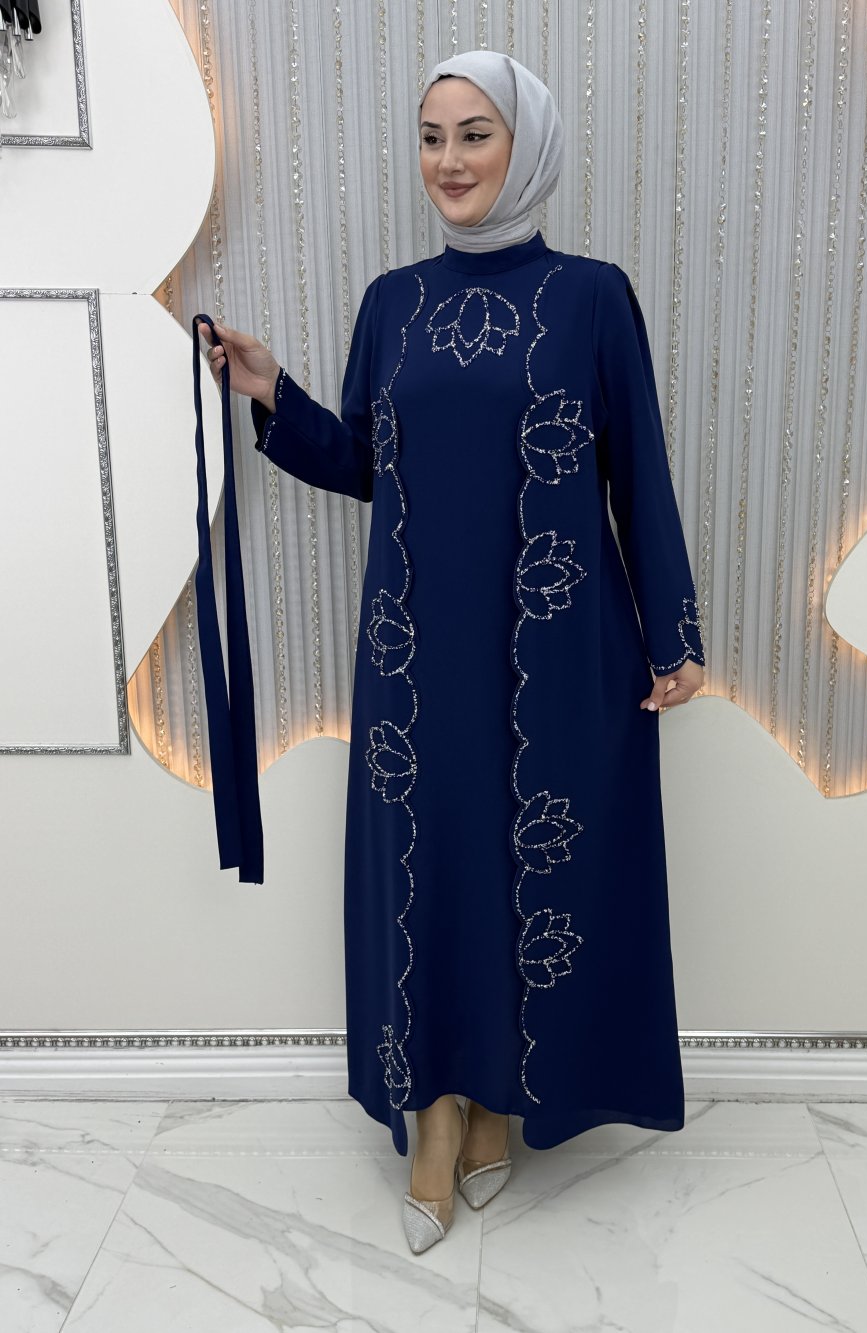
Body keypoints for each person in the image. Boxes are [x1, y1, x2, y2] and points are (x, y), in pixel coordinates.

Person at [200, 49, 705, 1255]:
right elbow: (368, 463)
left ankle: (498, 1105)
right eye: (430, 137)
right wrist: (276, 395)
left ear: (524, 145)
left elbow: (635, 466)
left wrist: (675, 630)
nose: (448, 160)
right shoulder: (394, 302)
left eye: (474, 133)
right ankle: (434, 1113)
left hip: (557, 645)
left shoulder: (591, 297)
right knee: (429, 870)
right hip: (416, 648)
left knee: (528, 866)